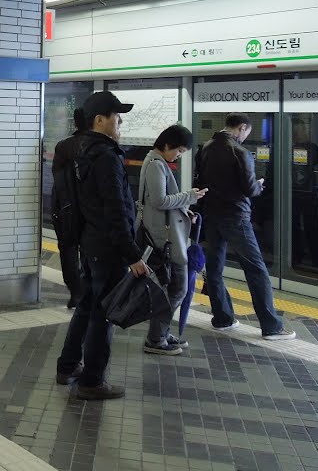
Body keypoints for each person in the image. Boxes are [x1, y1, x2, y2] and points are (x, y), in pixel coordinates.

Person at [55, 91, 142, 400]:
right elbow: (116, 208)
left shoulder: (81, 151)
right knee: (104, 313)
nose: (119, 124)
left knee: (88, 305)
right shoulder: (106, 156)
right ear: (99, 120)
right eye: (116, 118)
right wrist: (132, 254)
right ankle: (92, 381)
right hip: (107, 246)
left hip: (91, 242)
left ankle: (67, 366)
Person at [196, 113, 295, 340]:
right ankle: (271, 326)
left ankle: (223, 318)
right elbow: (250, 189)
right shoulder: (240, 152)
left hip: (211, 215)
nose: (245, 136)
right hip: (236, 217)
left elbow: (200, 181)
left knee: (214, 268)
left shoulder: (207, 147)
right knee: (256, 269)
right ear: (242, 128)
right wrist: (259, 185)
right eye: (247, 132)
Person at [138, 124, 207, 355]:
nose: (178, 156)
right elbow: (159, 201)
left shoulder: (155, 162)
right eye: (178, 151)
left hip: (165, 236)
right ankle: (156, 338)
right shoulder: (156, 165)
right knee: (177, 288)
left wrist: (184, 208)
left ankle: (161, 334)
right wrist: (189, 196)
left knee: (174, 288)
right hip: (164, 240)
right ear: (167, 145)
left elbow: (161, 202)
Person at [50, 107, 88, 308]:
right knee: (87, 250)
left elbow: (58, 176)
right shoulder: (96, 147)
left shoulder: (63, 146)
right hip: (86, 209)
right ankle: (85, 291)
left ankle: (76, 292)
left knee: (68, 250)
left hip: (64, 207)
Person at [291, 118, 318, 270]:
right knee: (307, 226)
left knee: (306, 226)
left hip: (301, 192)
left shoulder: (305, 148)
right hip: (303, 192)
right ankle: (313, 259)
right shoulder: (311, 147)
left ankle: (304, 257)